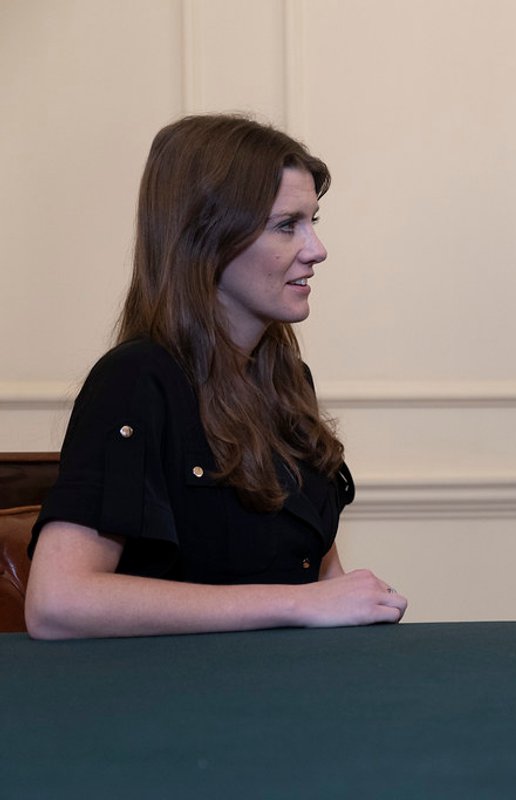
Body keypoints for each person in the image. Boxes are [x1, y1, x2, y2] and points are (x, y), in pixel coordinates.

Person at [24, 114, 408, 639]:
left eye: (313, 221)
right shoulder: (136, 381)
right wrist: (300, 605)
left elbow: (317, 575)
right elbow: (58, 603)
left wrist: (357, 610)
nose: (316, 249)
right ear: (207, 238)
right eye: (286, 225)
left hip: (289, 692)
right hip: (179, 706)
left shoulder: (285, 378)